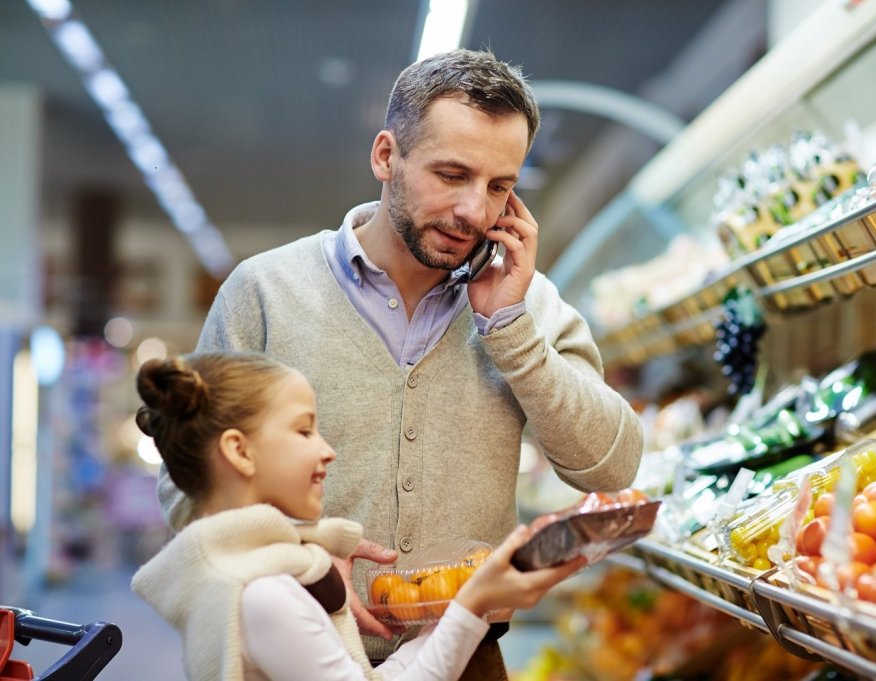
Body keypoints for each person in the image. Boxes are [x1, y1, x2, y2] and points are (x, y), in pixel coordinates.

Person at [158, 48, 643, 676]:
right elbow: (184, 482)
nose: (475, 211)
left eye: (500, 187)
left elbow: (612, 465)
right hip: (293, 656)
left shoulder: (529, 304)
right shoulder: (265, 292)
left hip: (468, 661)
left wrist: (509, 330)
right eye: (451, 174)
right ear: (387, 156)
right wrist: (293, 556)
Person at [132, 352, 587, 680]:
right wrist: (471, 606)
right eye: (304, 429)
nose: (326, 450)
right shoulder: (263, 595)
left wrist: (468, 605)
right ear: (239, 451)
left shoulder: (255, 574)